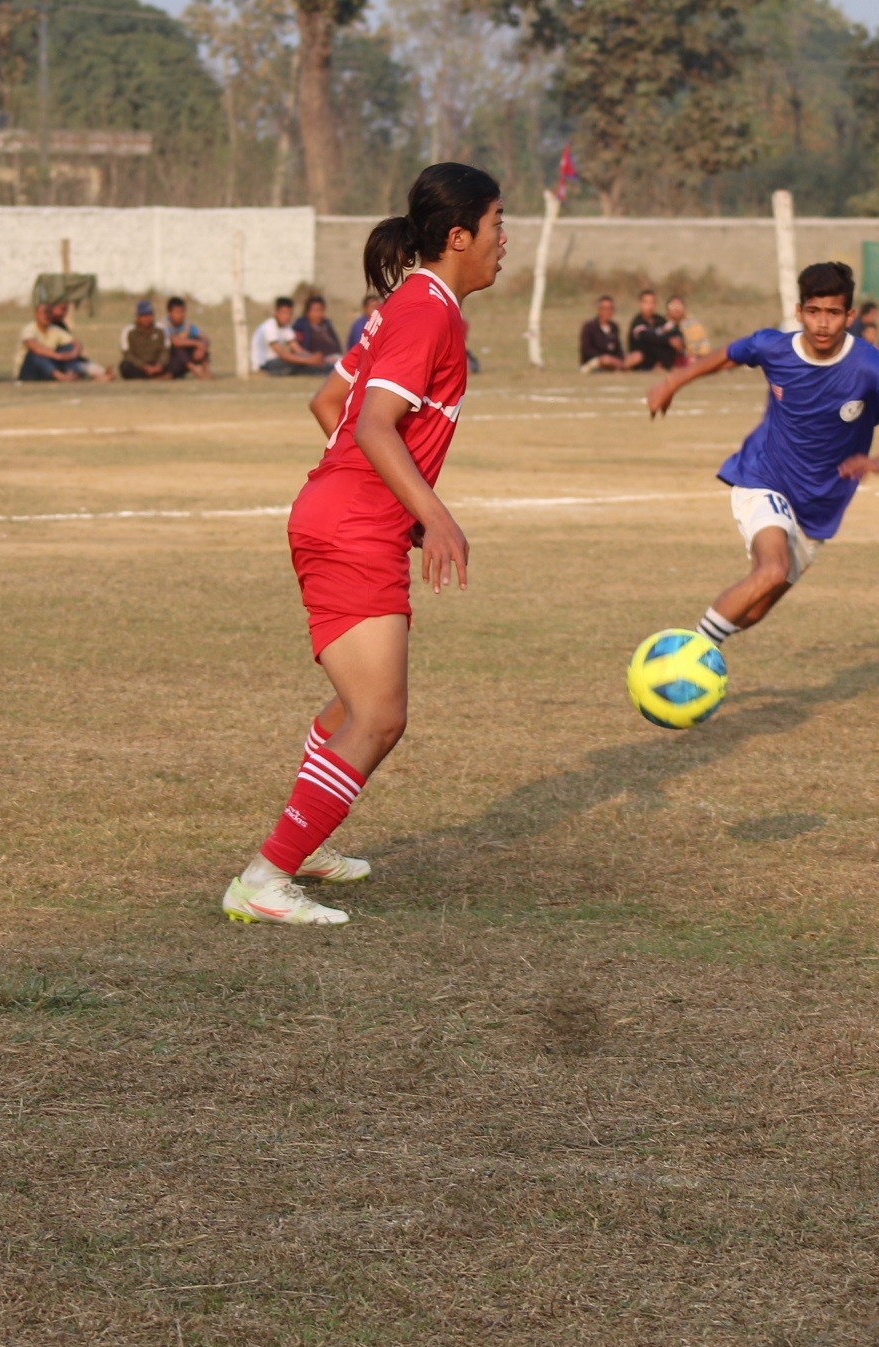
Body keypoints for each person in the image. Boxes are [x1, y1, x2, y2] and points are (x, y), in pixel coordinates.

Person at [221, 162, 506, 927]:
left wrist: (388, 499)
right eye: (498, 224)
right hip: (351, 526)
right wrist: (433, 514)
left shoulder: (408, 302)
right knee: (379, 716)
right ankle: (265, 876)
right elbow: (373, 423)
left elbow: (329, 402)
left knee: (359, 703)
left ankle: (305, 846)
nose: (504, 241)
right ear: (459, 236)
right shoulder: (429, 312)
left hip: (343, 514)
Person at [642, 259, 879, 653]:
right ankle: (683, 658)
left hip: (818, 508)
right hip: (763, 478)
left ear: (849, 316)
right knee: (772, 569)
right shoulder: (775, 347)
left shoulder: (870, 369)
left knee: (752, 613)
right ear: (799, 312)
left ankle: (700, 644)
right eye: (813, 311)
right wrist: (673, 381)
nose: (822, 323)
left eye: (833, 313)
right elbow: (731, 354)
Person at [17, 300, 106, 381]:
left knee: (68, 347)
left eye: (49, 313)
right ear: (36, 314)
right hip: (29, 371)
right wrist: (58, 356)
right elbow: (34, 347)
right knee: (36, 354)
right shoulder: (29, 329)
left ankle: (73, 374)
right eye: (44, 313)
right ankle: (61, 376)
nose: (46, 315)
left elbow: (76, 343)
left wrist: (73, 354)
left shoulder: (54, 329)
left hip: (48, 368)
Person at [254, 296, 326, 375]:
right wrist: (309, 360)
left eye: (289, 313)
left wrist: (313, 357)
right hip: (265, 364)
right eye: (284, 313)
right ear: (276, 312)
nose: (287, 317)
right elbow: (283, 355)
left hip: (278, 361)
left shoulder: (286, 327)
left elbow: (297, 349)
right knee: (299, 364)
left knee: (301, 363)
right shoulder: (269, 327)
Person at [119, 299, 174, 379]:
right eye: (143, 315)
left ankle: (154, 375)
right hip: (139, 365)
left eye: (149, 315)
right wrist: (143, 366)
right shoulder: (128, 331)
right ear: (137, 316)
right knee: (125, 366)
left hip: (156, 363)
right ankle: (155, 377)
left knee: (174, 361)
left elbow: (165, 350)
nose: (146, 318)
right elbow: (127, 354)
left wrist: (159, 365)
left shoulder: (161, 329)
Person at [628, 289, 678, 371]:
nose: (650, 306)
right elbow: (647, 337)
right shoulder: (638, 322)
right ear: (640, 304)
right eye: (646, 303)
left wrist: (677, 339)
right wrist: (668, 339)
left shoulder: (660, 319)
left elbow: (674, 329)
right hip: (644, 361)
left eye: (652, 303)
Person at [162, 297, 212, 377]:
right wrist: (197, 344)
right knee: (178, 348)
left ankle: (205, 370)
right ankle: (195, 370)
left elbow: (204, 337)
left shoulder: (186, 324)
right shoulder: (164, 325)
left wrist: (202, 346)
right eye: (177, 312)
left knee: (200, 343)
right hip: (171, 360)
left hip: (187, 358)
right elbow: (175, 342)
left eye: (183, 312)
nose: (181, 315)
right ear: (170, 313)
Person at [579, 295, 629, 371]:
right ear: (598, 310)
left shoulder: (614, 327)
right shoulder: (589, 327)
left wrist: (619, 358)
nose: (607, 312)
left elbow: (618, 348)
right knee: (606, 360)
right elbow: (586, 350)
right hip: (596, 360)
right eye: (604, 309)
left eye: (610, 309)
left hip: (612, 360)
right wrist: (602, 356)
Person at [293, 294, 343, 364]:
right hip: (313, 359)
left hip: (333, 357)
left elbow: (336, 344)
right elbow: (298, 349)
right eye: (316, 310)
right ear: (307, 312)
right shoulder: (301, 325)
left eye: (321, 310)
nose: (319, 314)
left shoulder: (326, 324)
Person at [665, 294, 709, 360]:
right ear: (667, 309)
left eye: (679, 306)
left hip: (693, 364)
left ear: (684, 308)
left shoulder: (696, 326)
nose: (676, 309)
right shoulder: (661, 325)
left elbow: (705, 351)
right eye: (673, 306)